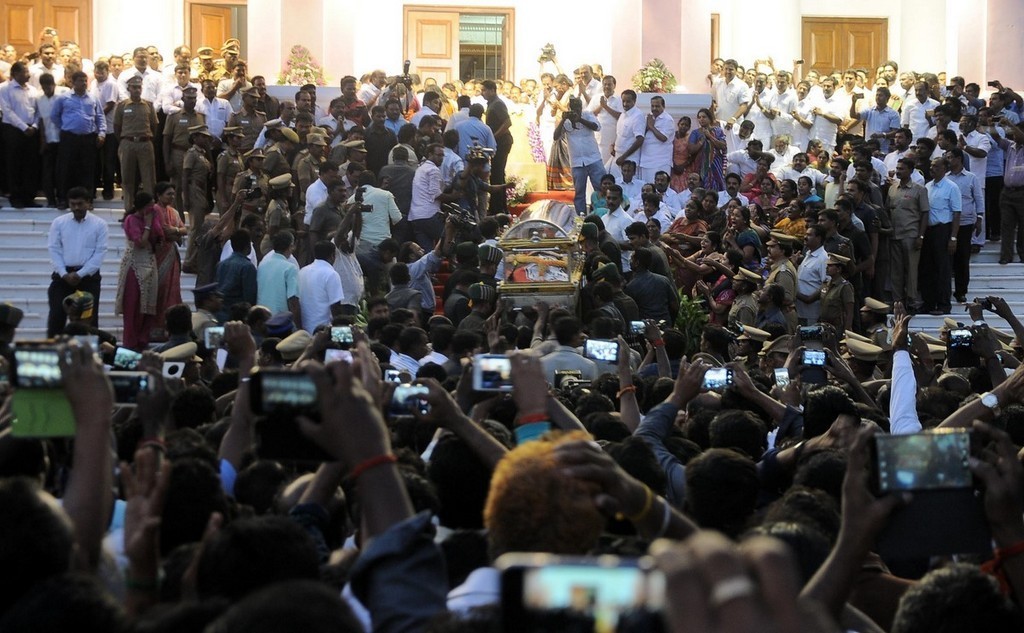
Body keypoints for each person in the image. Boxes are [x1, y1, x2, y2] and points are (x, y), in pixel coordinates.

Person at [46, 187, 108, 336]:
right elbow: (54, 248)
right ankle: (54, 353)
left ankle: (88, 355)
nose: (76, 208)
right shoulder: (59, 222)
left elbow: (100, 252)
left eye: (80, 204)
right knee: (56, 316)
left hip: (88, 277)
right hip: (62, 275)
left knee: (89, 320)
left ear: (88, 203)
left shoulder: (99, 224)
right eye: (73, 204)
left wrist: (80, 273)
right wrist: (63, 273)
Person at [114, 192, 163, 349]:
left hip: (150, 262)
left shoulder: (153, 216)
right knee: (132, 305)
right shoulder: (131, 220)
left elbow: (159, 235)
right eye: (149, 206)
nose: (152, 208)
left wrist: (152, 220)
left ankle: (143, 340)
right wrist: (147, 224)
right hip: (134, 265)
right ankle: (130, 343)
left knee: (149, 304)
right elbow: (140, 242)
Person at [51, 70, 105, 208]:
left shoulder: (93, 98)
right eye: (80, 80)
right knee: (66, 169)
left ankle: (87, 200)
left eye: (85, 80)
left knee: (87, 170)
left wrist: (102, 133)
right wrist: (66, 127)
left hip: (88, 138)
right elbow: (54, 116)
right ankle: (63, 199)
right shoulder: (63, 98)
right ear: (72, 82)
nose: (84, 83)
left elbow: (100, 117)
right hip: (69, 138)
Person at [920, 156, 961, 315]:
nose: (932, 169)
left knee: (942, 269)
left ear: (945, 168)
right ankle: (928, 303)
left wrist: (953, 237)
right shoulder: (928, 186)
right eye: (931, 166)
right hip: (928, 230)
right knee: (927, 268)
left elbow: (957, 213)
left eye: (936, 166)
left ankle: (944, 305)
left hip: (943, 230)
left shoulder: (951, 187)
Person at [0, 62, 41, 208]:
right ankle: (16, 197)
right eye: (25, 72)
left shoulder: (33, 90)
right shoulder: (4, 89)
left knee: (30, 165)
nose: (28, 75)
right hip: (13, 130)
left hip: (31, 130)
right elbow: (7, 111)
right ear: (15, 74)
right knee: (14, 164)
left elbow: (38, 110)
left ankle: (29, 196)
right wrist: (23, 127)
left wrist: (35, 126)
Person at [553, 96, 603, 214]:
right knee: (579, 193)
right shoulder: (566, 121)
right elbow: (555, 137)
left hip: (593, 158)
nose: (576, 111)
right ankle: (581, 219)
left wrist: (580, 119)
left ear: (581, 107)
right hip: (577, 162)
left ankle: (602, 215)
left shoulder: (588, 114)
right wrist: (562, 120)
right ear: (569, 108)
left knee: (601, 189)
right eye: (573, 108)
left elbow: (597, 127)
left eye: (578, 108)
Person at [152, 181, 184, 334]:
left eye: (173, 194)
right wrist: (174, 232)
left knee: (172, 289)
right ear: (158, 195)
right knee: (159, 290)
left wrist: (175, 230)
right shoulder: (154, 210)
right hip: (157, 255)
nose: (172, 197)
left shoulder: (174, 212)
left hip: (171, 255)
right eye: (168, 194)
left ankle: (169, 327)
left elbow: (184, 230)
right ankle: (156, 327)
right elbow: (163, 232)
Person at [181, 125, 214, 272]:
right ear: (195, 137)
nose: (205, 139)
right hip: (194, 189)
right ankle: (189, 261)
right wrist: (186, 198)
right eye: (203, 136)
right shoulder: (192, 153)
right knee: (196, 228)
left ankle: (193, 259)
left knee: (199, 228)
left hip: (201, 190)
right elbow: (185, 175)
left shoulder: (203, 154)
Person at [298, 240, 345, 332]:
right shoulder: (331, 274)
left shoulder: (302, 271)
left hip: (304, 328)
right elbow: (336, 307)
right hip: (324, 330)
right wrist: (341, 333)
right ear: (332, 256)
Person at [481, 79, 513, 213]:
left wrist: (493, 136)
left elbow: (507, 122)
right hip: (498, 142)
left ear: (492, 90)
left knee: (497, 175)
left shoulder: (498, 104)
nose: (482, 93)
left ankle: (499, 208)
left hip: (502, 142)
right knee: (496, 175)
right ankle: (497, 207)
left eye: (484, 90)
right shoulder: (492, 104)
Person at [216, 229, 258, 321]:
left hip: (221, 313)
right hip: (238, 316)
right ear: (248, 246)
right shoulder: (248, 267)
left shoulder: (221, 264)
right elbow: (250, 296)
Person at [688, 108, 727, 191]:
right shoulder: (695, 133)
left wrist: (710, 136)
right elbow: (691, 150)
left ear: (710, 118)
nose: (701, 119)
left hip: (715, 164)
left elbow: (723, 146)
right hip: (701, 165)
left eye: (704, 117)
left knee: (717, 187)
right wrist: (701, 141)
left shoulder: (718, 131)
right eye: (699, 117)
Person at [818, 252, 855, 332]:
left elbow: (849, 312)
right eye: (827, 265)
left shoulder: (845, 287)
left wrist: (846, 331)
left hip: (837, 328)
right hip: (824, 326)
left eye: (830, 266)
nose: (827, 268)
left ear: (838, 269)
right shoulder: (826, 284)